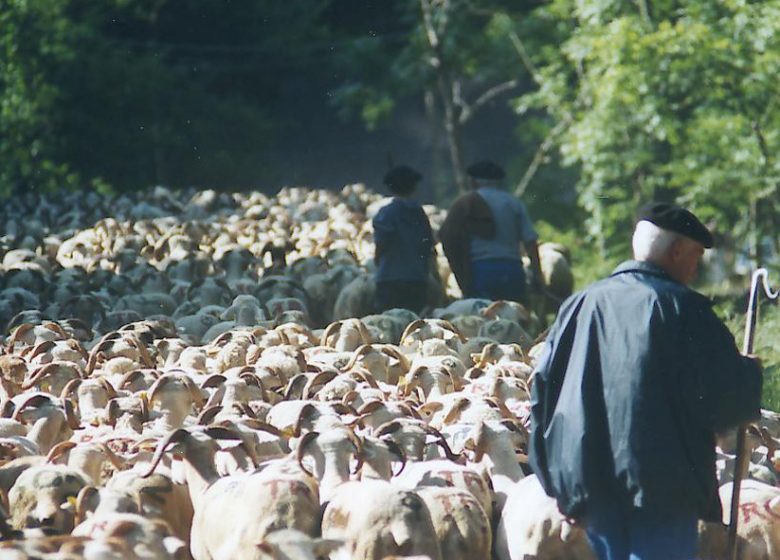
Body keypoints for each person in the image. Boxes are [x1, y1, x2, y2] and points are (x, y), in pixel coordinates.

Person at [529, 202, 763, 560]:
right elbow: (722, 402)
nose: (696, 266)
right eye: (696, 255)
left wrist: (555, 481)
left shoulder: (578, 306)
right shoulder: (685, 310)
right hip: (663, 489)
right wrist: (748, 374)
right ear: (676, 251)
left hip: (589, 483)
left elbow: (542, 396)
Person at [439, 159, 542, 303]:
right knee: (513, 317)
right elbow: (530, 241)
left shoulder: (464, 203)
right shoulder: (513, 203)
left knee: (482, 318)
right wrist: (538, 274)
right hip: (512, 268)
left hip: (480, 270)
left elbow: (448, 236)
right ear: (498, 181)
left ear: (473, 181)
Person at [372, 165, 433, 314]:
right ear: (414, 187)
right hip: (417, 279)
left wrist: (377, 259)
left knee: (390, 324)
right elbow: (428, 243)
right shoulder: (420, 213)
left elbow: (382, 241)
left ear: (390, 188)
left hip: (390, 278)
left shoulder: (386, 213)